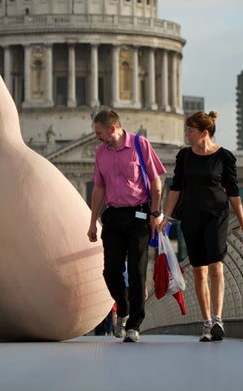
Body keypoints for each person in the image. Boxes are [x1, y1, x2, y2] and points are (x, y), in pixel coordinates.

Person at [161, 110, 243, 342]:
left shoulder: (224, 157)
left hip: (217, 216)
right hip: (191, 218)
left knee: (216, 266)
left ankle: (218, 318)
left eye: (190, 131)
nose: (187, 134)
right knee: (199, 271)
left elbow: (234, 193)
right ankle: (206, 322)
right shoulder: (184, 156)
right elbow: (176, 188)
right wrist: (166, 217)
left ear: (204, 133)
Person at [88, 108, 166, 343]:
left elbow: (156, 183)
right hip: (113, 216)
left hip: (139, 216)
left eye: (99, 133)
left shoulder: (140, 145)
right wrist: (92, 222)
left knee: (137, 271)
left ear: (112, 128)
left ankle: (134, 325)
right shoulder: (100, 152)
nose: (96, 137)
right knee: (110, 271)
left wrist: (155, 213)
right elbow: (99, 188)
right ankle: (123, 308)